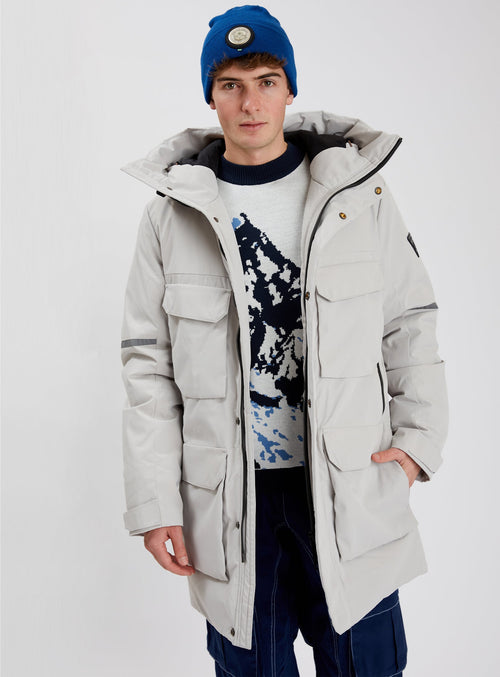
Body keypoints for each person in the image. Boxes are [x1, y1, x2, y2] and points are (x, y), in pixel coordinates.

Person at [119, 5, 448, 675]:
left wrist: (417, 444)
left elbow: (409, 319)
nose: (250, 103)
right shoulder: (170, 217)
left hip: (350, 488)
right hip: (232, 505)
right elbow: (146, 365)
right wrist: (155, 503)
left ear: (290, 88)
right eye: (231, 85)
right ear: (210, 96)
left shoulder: (358, 195)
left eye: (267, 81)